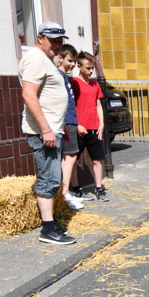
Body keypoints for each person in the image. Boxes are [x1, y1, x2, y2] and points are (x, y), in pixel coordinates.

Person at [18, 21, 75, 245]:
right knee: (49, 178)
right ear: (40, 38)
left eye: (60, 41)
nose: (58, 45)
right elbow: (28, 95)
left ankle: (51, 225)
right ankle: (48, 230)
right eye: (53, 40)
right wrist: (46, 129)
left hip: (53, 129)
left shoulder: (46, 59)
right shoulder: (34, 57)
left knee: (53, 176)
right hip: (44, 132)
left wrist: (59, 127)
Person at [70, 51, 108, 201]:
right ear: (79, 66)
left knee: (98, 159)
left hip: (94, 127)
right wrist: (77, 125)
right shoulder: (74, 83)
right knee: (73, 159)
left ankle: (99, 188)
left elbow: (98, 104)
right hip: (79, 129)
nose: (91, 71)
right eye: (87, 68)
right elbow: (70, 106)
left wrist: (102, 124)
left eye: (92, 68)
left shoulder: (95, 84)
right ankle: (76, 188)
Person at [56, 44, 84, 210]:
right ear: (61, 58)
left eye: (74, 61)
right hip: (66, 120)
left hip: (70, 119)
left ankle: (65, 192)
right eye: (70, 60)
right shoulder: (58, 75)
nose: (72, 64)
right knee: (70, 156)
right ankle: (65, 193)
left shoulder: (65, 76)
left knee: (69, 156)